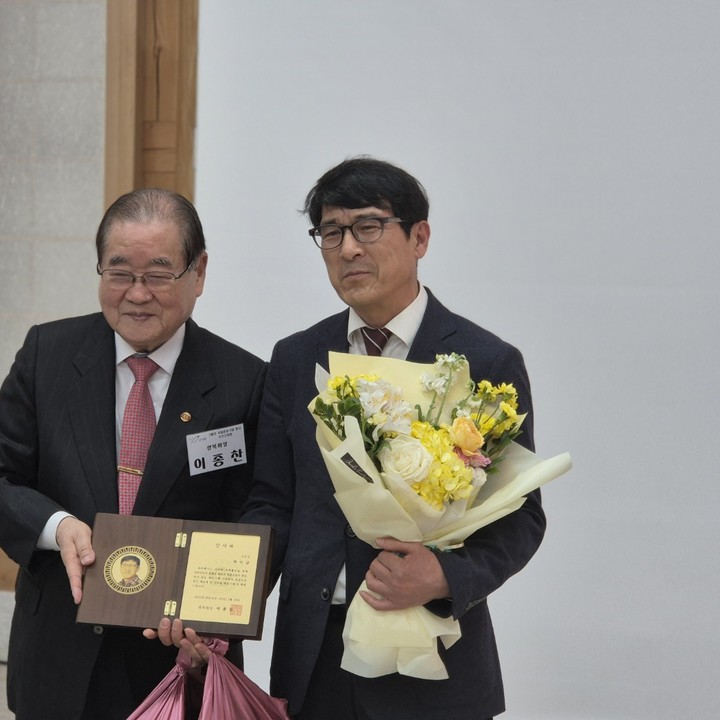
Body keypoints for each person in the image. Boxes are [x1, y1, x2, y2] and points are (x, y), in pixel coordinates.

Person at [166, 157, 545, 719]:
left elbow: (521, 517)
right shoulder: (295, 359)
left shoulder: (484, 361)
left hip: (434, 661)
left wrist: (443, 575)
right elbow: (272, 503)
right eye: (331, 232)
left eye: (369, 227)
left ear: (420, 237)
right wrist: (216, 607)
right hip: (315, 660)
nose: (348, 249)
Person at [0, 188, 267, 720]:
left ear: (198, 273)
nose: (137, 294)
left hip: (175, 661)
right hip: (60, 649)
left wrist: (212, 624)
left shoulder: (242, 381)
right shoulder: (48, 355)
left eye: (158, 273)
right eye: (119, 272)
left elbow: (254, 514)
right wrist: (57, 525)